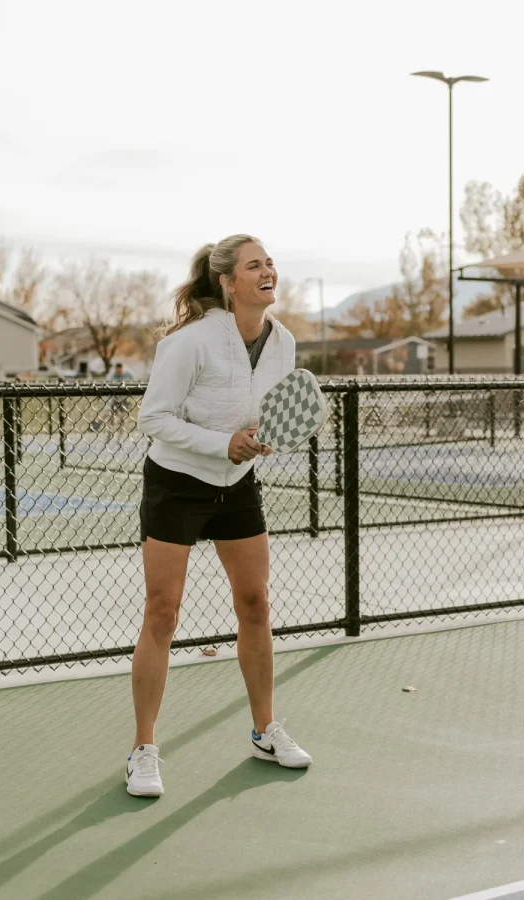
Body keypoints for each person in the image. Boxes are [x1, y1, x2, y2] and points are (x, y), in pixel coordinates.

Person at [126, 234, 312, 798]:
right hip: (176, 485)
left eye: (271, 263)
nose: (268, 270)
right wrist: (220, 443)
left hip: (238, 483)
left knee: (256, 603)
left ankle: (264, 730)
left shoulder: (284, 344)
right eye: (255, 265)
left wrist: (258, 439)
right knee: (163, 612)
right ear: (228, 282)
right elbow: (153, 418)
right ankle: (143, 750)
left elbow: (264, 410)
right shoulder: (190, 342)